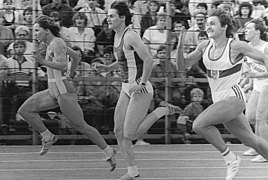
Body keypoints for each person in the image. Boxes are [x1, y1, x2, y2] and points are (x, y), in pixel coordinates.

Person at [176, 9, 268, 180]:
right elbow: (182, 66)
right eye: (207, 23)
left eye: (213, 23)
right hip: (219, 99)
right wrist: (180, 43)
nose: (208, 26)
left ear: (224, 26)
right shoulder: (204, 46)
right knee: (251, 141)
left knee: (198, 125)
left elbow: (264, 58)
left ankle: (230, 158)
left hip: (234, 97)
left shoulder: (235, 46)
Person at [17, 15, 117, 172]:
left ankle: (109, 152)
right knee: (25, 111)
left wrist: (43, 62)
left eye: (37, 30)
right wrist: (72, 73)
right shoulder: (52, 42)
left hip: (63, 92)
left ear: (46, 31)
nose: (34, 34)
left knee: (82, 126)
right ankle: (48, 137)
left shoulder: (56, 43)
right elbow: (76, 57)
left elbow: (63, 65)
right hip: (52, 91)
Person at [95, 2, 181, 179]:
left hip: (140, 89)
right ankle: (132, 171)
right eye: (108, 16)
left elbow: (148, 60)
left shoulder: (131, 36)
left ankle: (162, 110)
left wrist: (142, 83)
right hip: (127, 88)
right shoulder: (117, 36)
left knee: (131, 133)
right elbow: (124, 61)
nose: (108, 19)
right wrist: (107, 68)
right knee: (119, 131)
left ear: (122, 18)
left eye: (112, 16)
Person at [242, 18, 268, 163]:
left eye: (249, 28)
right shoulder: (247, 47)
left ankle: (265, 152)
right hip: (258, 84)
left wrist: (255, 75)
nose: (245, 31)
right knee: (249, 117)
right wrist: (249, 82)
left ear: (257, 31)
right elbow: (251, 68)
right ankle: (257, 146)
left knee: (260, 119)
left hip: (267, 84)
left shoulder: (265, 47)